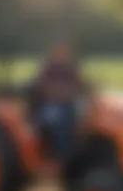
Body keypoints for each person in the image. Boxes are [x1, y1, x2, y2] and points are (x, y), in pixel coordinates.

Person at [34, 43, 85, 179]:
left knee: (85, 119)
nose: (62, 54)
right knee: (59, 121)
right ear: (53, 53)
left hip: (68, 103)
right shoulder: (47, 69)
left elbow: (80, 84)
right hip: (47, 105)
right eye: (59, 52)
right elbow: (44, 88)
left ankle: (79, 154)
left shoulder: (70, 69)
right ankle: (59, 159)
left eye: (65, 52)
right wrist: (61, 93)